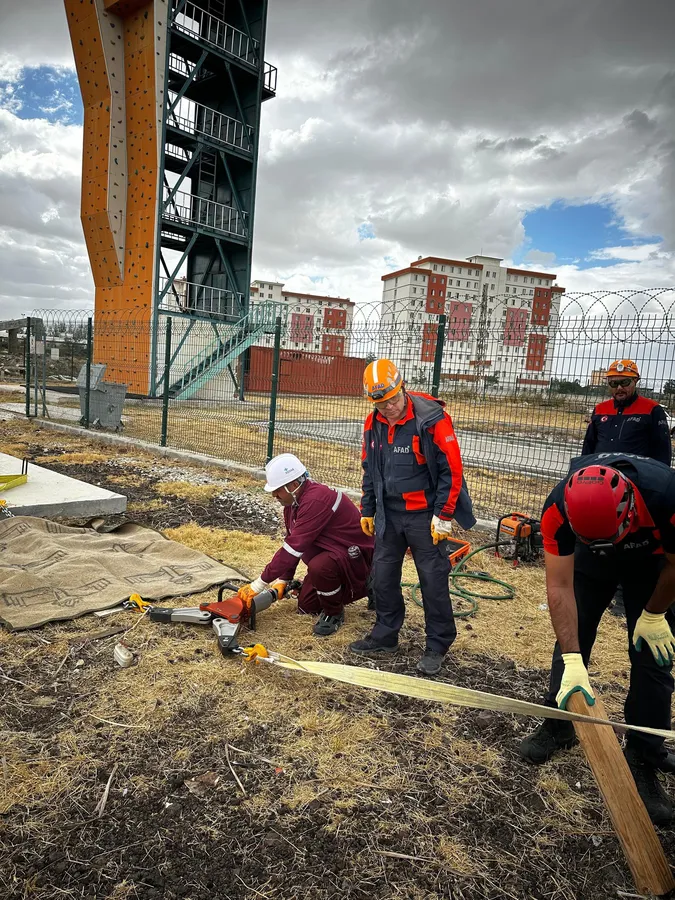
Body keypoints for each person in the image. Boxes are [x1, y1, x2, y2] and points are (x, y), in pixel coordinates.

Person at [519, 452, 675, 825]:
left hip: (652, 561)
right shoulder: (558, 508)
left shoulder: (667, 496)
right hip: (590, 561)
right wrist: (573, 658)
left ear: (630, 509)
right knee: (572, 636)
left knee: (652, 656)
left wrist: (654, 614)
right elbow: (559, 586)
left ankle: (644, 754)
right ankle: (560, 724)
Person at [349, 359, 476, 676]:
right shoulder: (373, 423)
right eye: (381, 403)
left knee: (432, 579)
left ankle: (437, 644)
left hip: (424, 516)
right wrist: (368, 508)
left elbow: (451, 470)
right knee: (383, 575)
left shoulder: (431, 420)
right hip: (389, 515)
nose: (389, 407)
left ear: (402, 387)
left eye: (393, 399)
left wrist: (443, 515)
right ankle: (385, 634)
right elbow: (370, 468)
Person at [237, 453, 374, 637]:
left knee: (320, 567)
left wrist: (258, 584)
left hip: (356, 556)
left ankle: (340, 609)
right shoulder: (293, 504)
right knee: (306, 606)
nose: (274, 495)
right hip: (335, 554)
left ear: (293, 485)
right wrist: (284, 579)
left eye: (277, 489)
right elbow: (291, 542)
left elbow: (294, 547)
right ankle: (341, 587)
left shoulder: (315, 500)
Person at [582, 359, 671, 616]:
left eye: (624, 382)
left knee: (633, 544)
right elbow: (588, 450)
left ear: (635, 382)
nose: (619, 388)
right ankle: (600, 587)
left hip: (637, 491)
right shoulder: (600, 410)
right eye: (613, 383)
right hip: (601, 490)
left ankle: (626, 596)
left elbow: (662, 457)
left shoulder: (652, 410)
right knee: (601, 536)